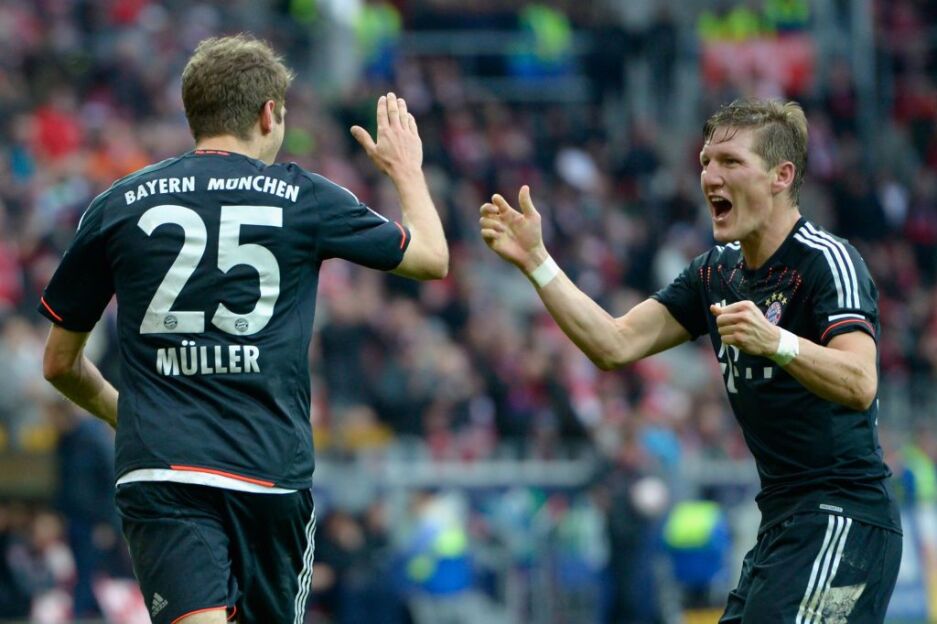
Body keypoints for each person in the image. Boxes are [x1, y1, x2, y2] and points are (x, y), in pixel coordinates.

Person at [39, 34, 448, 624]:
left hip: (162, 468)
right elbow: (432, 258)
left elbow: (59, 363)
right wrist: (405, 170)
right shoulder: (304, 196)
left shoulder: (118, 204)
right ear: (268, 114)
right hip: (268, 474)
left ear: (193, 114)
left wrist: (124, 412)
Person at [479, 98, 901, 623]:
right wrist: (537, 262)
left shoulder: (827, 261)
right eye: (705, 162)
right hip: (782, 526)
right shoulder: (714, 273)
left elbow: (860, 381)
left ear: (781, 176)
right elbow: (612, 344)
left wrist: (776, 342)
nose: (710, 177)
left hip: (844, 520)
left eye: (730, 162)